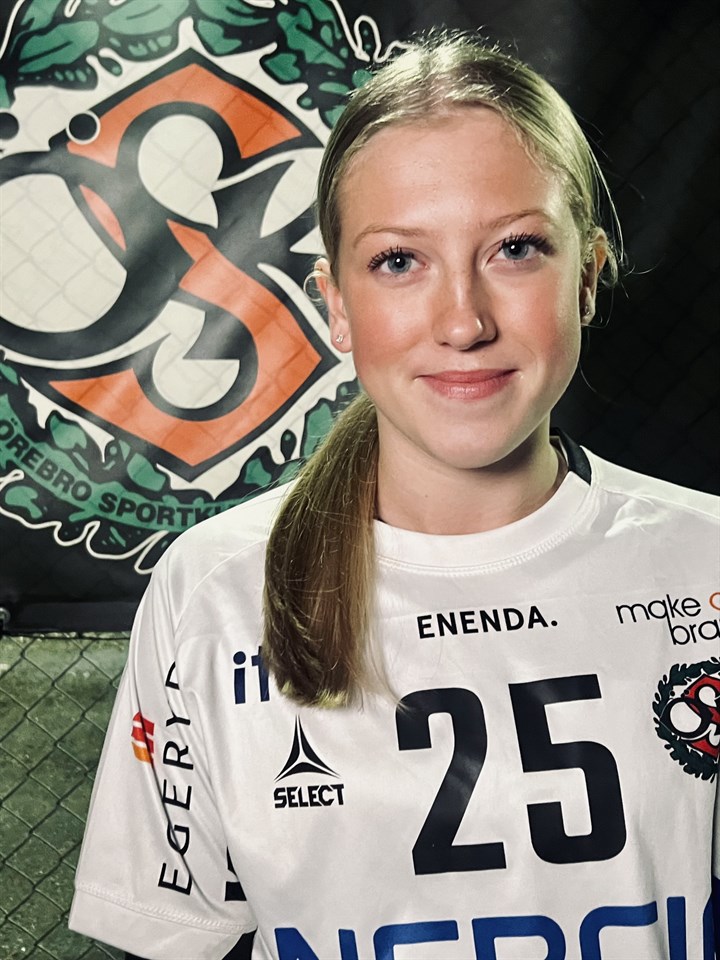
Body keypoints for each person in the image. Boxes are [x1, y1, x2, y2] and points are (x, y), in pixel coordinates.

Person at [69, 30, 719, 960]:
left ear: (587, 274)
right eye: (400, 262)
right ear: (336, 303)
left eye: (516, 248)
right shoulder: (213, 592)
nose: (463, 321)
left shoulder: (704, 563)